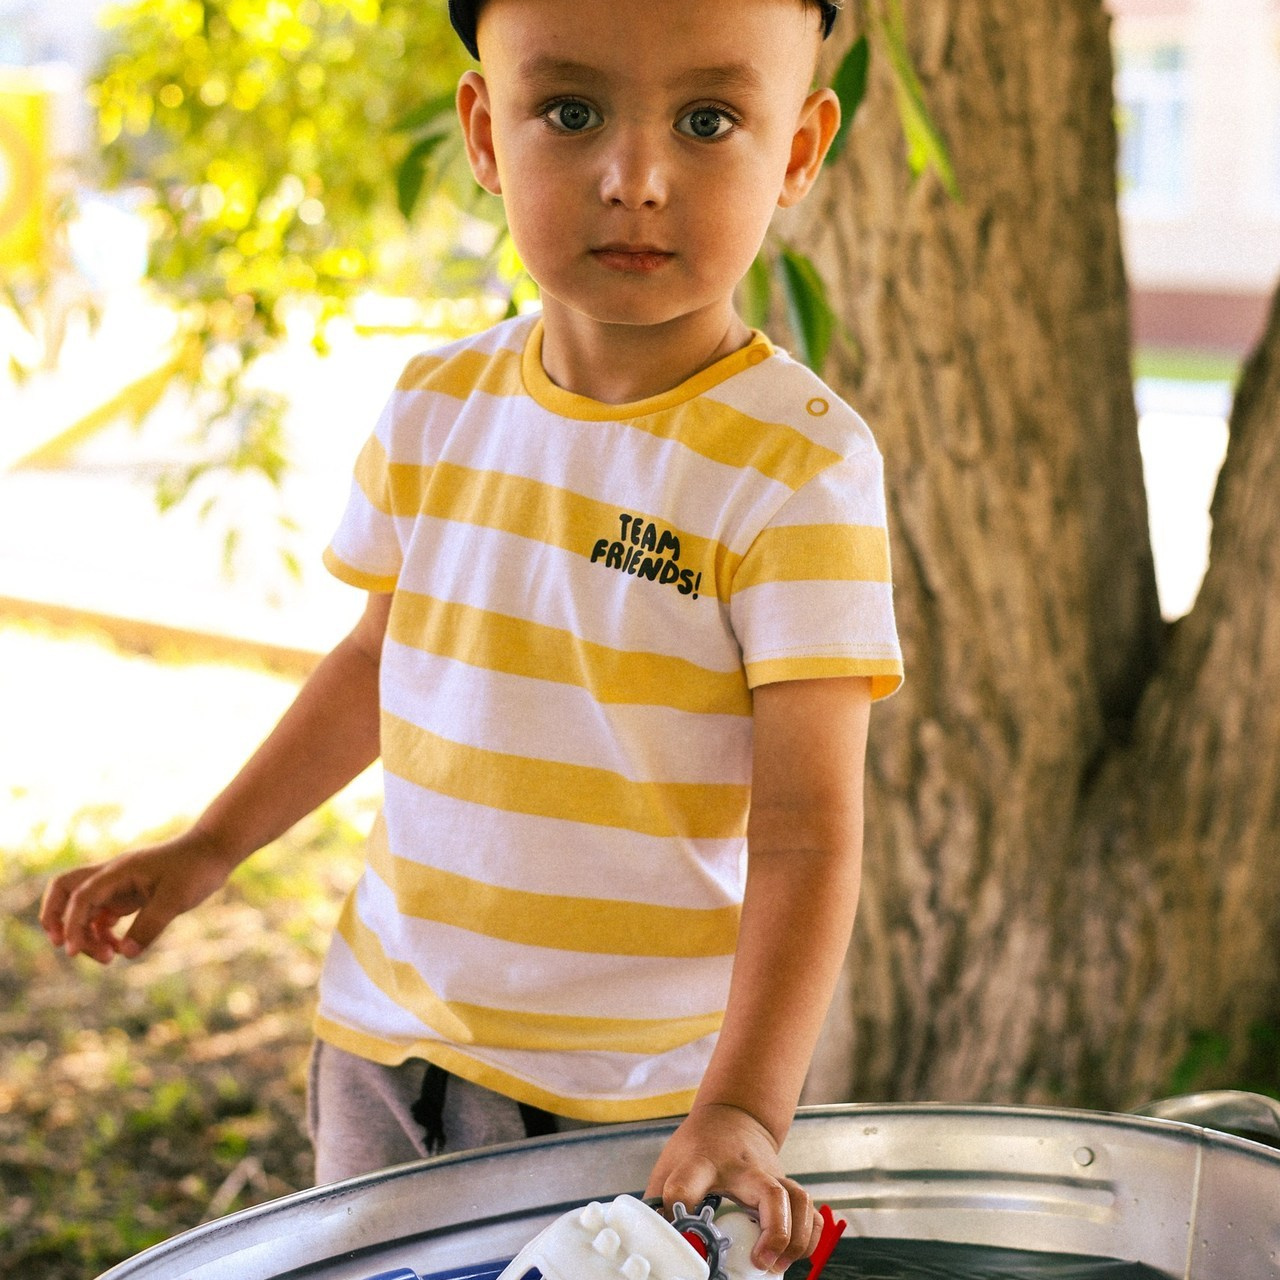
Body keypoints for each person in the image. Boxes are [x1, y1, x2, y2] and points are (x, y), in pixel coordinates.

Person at [41, 0, 903, 1270]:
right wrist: (208, 847)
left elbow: (806, 828)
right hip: (386, 1051)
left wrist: (742, 1106)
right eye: (570, 111)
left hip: (637, 1107)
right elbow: (371, 663)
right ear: (484, 132)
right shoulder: (433, 407)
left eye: (707, 120)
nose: (634, 179)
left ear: (796, 149)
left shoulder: (800, 465)